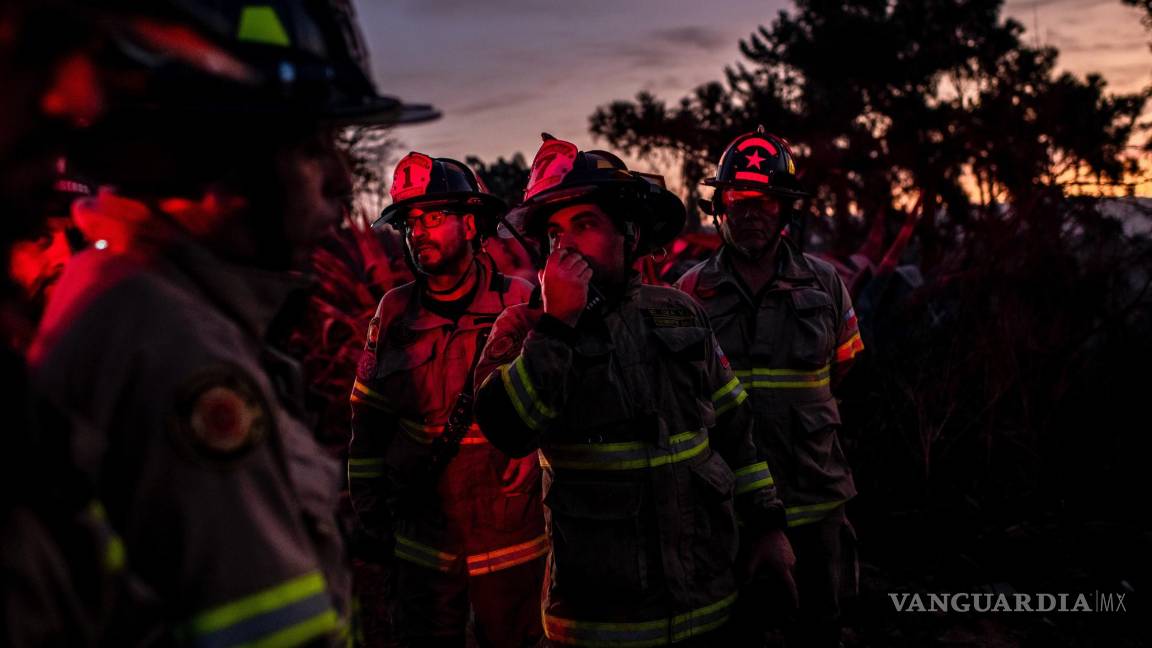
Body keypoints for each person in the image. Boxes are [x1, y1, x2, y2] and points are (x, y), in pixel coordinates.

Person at [28, 1, 438, 645]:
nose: (339, 178)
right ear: (216, 163)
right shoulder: (173, 350)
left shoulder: (144, 307)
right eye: (309, 148)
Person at [473, 134, 796, 647]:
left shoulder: (678, 311)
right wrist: (558, 326)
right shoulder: (524, 329)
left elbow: (737, 430)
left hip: (710, 605)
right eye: (555, 233)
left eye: (586, 224)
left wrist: (768, 525)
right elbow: (507, 429)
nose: (568, 245)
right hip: (599, 624)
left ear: (629, 233)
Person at [348, 152, 546, 648]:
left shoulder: (519, 302)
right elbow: (367, 424)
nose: (419, 232)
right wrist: (370, 518)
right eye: (411, 222)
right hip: (423, 539)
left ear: (473, 223)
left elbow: (560, 404)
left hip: (509, 537)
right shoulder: (393, 313)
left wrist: (536, 451)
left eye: (434, 217)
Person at [676, 127, 864, 648]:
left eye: (767, 199)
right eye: (739, 197)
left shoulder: (826, 286)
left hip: (814, 501)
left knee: (820, 628)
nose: (752, 210)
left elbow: (846, 367)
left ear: (786, 210)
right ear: (720, 206)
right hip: (725, 509)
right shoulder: (690, 292)